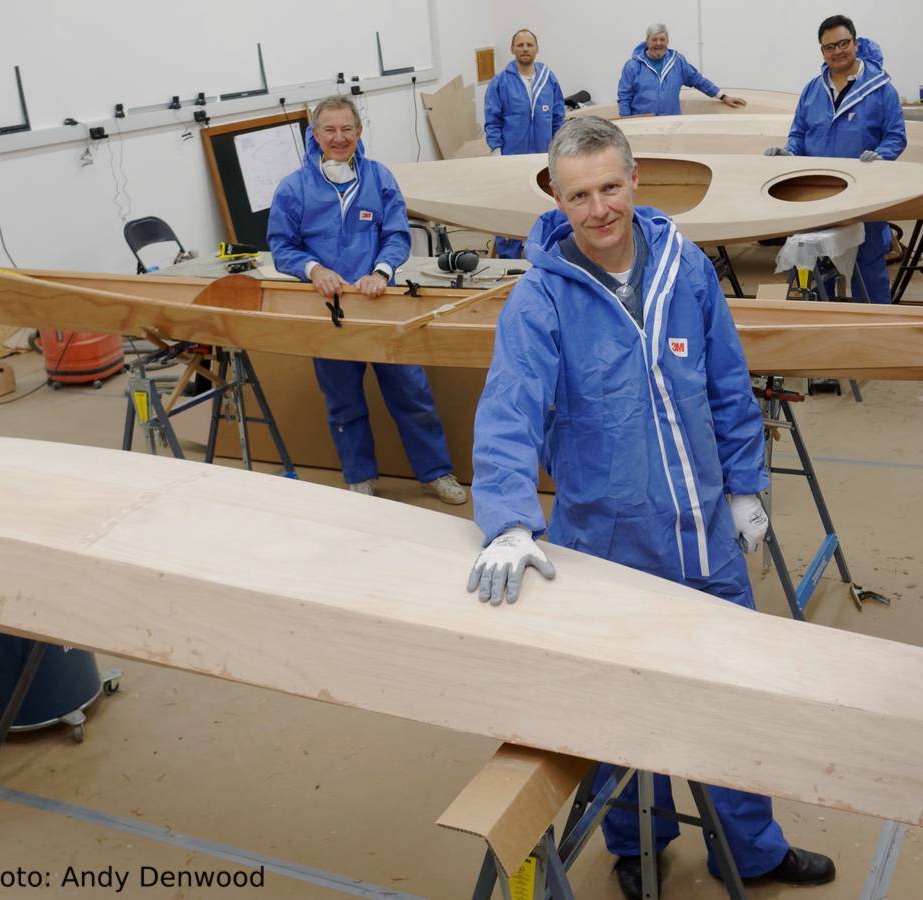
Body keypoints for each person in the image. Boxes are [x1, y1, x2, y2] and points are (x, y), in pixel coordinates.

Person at [465, 117, 835, 899]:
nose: (598, 209)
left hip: (703, 538)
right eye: (578, 195)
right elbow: (509, 414)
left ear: (634, 181)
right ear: (556, 199)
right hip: (605, 545)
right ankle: (638, 842)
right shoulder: (539, 300)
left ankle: (753, 847)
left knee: (731, 697)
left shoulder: (687, 270)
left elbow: (729, 385)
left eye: (608, 187)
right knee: (620, 714)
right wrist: (506, 521)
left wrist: (743, 488)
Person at [268, 96, 466, 505]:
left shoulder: (379, 179)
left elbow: (396, 235)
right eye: (329, 130)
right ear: (315, 134)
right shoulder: (294, 188)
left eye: (347, 129)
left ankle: (436, 473)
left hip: (381, 305)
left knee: (412, 395)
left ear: (359, 132)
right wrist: (313, 270)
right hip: (330, 314)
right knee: (343, 402)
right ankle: (360, 478)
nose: (339, 138)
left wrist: (381, 272)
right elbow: (281, 246)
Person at [767, 14, 906, 303]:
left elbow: (896, 135)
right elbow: (799, 133)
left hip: (865, 193)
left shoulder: (881, 89)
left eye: (843, 43)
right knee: (815, 265)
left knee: (867, 267)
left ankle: (873, 328)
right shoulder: (812, 90)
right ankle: (821, 326)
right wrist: (789, 152)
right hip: (818, 194)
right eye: (829, 47)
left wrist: (882, 155)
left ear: (855, 44)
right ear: (822, 51)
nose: (837, 51)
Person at [485, 28, 567, 259]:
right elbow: (492, 120)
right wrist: (496, 150)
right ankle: (509, 257)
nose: (524, 49)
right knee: (509, 207)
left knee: (545, 205)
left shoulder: (548, 78)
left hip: (543, 157)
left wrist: (558, 148)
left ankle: (545, 254)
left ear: (536, 49)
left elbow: (558, 116)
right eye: (520, 45)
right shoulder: (500, 82)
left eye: (529, 45)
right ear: (512, 49)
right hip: (511, 158)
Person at [617, 23, 747, 117]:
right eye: (654, 39)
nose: (658, 43)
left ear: (668, 41)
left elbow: (698, 80)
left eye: (662, 39)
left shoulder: (678, 62)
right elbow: (624, 97)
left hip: (671, 123)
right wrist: (626, 122)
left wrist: (723, 96)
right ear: (647, 41)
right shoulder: (632, 66)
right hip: (642, 125)